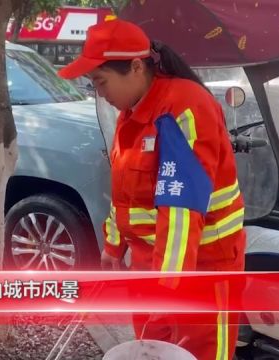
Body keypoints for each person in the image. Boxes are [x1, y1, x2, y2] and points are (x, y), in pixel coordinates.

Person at [58, 19, 245, 360]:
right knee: (150, 349)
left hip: (200, 266)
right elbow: (125, 193)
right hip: (150, 264)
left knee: (200, 352)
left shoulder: (183, 107)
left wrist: (168, 285)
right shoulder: (131, 114)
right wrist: (114, 246)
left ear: (135, 66)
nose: (99, 92)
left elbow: (182, 208)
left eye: (101, 81)